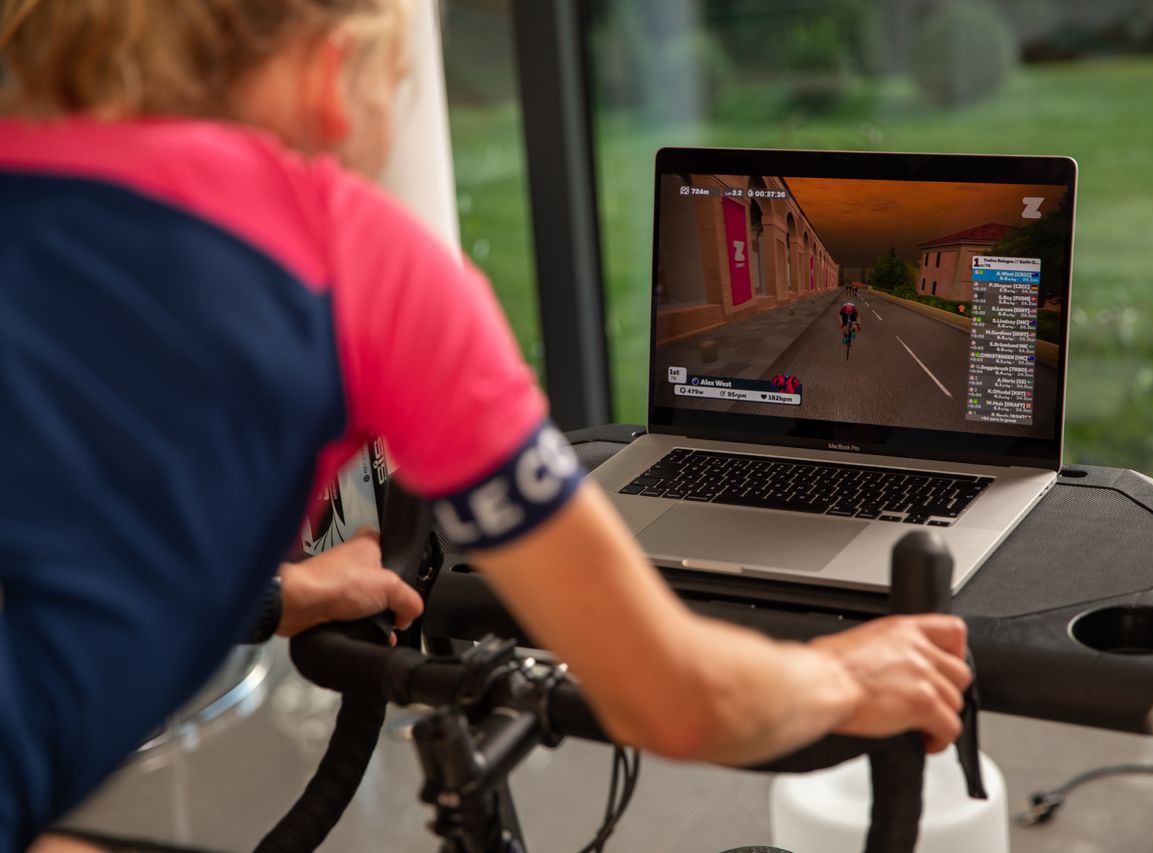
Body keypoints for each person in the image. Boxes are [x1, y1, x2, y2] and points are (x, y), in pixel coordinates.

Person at [0, 1, 971, 848]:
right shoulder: (359, 264)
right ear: (335, 77)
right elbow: (674, 700)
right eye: (403, 87)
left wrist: (281, 592)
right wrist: (843, 674)